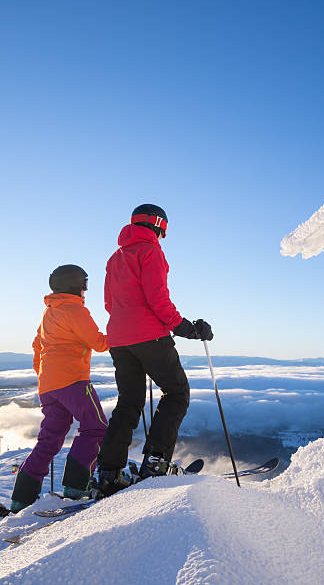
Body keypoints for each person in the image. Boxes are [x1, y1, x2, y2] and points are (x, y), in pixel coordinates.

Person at [97, 204, 213, 496]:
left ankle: (109, 474)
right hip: (150, 336)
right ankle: (156, 464)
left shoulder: (115, 257)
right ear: (159, 225)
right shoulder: (151, 252)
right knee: (176, 393)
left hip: (119, 339)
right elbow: (157, 298)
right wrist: (187, 327)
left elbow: (110, 304)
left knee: (129, 402)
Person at [10, 265, 108, 513]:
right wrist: (123, 335)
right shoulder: (75, 309)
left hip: (48, 385)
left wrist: (45, 375)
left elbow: (36, 346)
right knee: (95, 426)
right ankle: (76, 488)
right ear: (78, 285)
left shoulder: (49, 311)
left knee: (49, 439)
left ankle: (21, 500)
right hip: (73, 381)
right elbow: (98, 342)